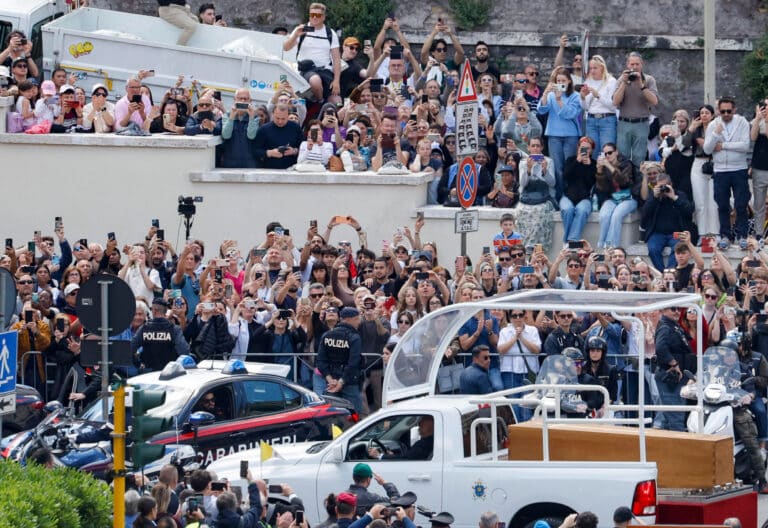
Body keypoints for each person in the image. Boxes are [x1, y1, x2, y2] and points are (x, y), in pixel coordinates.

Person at [703, 97, 752, 247]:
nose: (725, 114)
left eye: (728, 111)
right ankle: (725, 235)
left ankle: (742, 235)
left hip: (739, 169)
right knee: (722, 205)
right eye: (722, 111)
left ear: (734, 110)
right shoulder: (713, 125)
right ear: (718, 111)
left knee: (741, 204)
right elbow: (707, 149)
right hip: (720, 170)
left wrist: (723, 145)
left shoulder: (742, 122)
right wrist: (715, 135)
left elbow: (745, 146)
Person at [536, 67, 582, 199]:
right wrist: (545, 94)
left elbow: (570, 114)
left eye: (563, 80)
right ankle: (559, 195)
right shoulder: (550, 95)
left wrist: (559, 100)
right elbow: (542, 110)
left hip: (571, 135)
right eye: (558, 80)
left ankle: (571, 194)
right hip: (554, 135)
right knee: (557, 168)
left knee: (570, 167)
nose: (561, 83)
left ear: (569, 81)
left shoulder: (575, 96)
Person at [283, 3, 341, 102]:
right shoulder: (301, 29)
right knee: (315, 81)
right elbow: (286, 47)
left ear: (323, 17)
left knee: (337, 101)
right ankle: (319, 101)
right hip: (306, 70)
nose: (314, 17)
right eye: (312, 14)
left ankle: (325, 106)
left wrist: (336, 81)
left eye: (318, 15)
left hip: (325, 71)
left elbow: (336, 59)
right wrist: (296, 35)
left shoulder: (330, 33)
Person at [612, 52, 659, 167]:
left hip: (641, 123)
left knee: (639, 157)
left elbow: (654, 101)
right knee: (623, 156)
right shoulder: (621, 80)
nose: (634, 67)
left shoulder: (648, 79)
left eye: (637, 64)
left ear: (641, 64)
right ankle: (625, 182)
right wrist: (624, 83)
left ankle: (638, 183)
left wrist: (641, 85)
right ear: (627, 65)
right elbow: (615, 102)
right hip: (624, 122)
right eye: (632, 64)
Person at [640, 174, 695, 272]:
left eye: (665, 186)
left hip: (676, 233)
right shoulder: (653, 196)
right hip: (657, 233)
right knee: (653, 249)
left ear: (670, 184)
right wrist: (654, 198)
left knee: (677, 249)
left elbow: (689, 211)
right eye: (660, 186)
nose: (663, 189)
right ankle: (663, 274)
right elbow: (645, 214)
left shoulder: (679, 194)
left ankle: (670, 272)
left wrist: (674, 198)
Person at [315, 306, 364, 413]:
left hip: (331, 382)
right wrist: (341, 382)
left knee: (333, 414)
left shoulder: (327, 335)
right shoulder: (354, 337)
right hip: (349, 381)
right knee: (354, 412)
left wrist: (330, 380)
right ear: (348, 319)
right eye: (356, 319)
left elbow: (320, 361)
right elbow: (353, 363)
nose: (358, 322)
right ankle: (355, 427)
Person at [653, 306, 689, 431]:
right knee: (675, 417)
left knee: (671, 418)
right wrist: (674, 364)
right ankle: (679, 450)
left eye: (679, 309)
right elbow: (660, 348)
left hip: (679, 378)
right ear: (663, 310)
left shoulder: (674, 326)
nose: (677, 312)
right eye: (673, 309)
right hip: (670, 377)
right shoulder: (665, 326)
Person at [131, 298, 189, 372]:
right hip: (170, 373)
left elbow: (130, 349)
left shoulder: (144, 329)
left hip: (148, 373)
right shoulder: (174, 329)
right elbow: (184, 351)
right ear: (165, 311)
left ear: (154, 311)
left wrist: (138, 364)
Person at [560, 137, 597, 243]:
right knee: (567, 210)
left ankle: (570, 241)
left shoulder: (593, 164)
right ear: (578, 147)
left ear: (591, 150)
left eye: (588, 148)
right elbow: (565, 176)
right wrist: (577, 161)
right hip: (568, 195)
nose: (585, 150)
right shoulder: (571, 160)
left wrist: (589, 166)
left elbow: (592, 182)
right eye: (582, 148)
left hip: (585, 197)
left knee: (582, 210)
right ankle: (571, 243)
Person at [580, 55, 618, 156]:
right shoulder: (588, 81)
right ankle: (595, 172)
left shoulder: (611, 81)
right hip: (591, 120)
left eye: (595, 68)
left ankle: (606, 172)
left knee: (607, 151)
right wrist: (583, 97)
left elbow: (613, 106)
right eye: (590, 68)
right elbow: (586, 108)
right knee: (592, 151)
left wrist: (598, 96)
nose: (592, 71)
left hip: (607, 120)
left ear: (602, 67)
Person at [253, 103, 303, 169]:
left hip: (291, 170)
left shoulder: (295, 128)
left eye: (283, 119)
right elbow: (255, 151)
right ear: (272, 114)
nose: (280, 121)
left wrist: (294, 151)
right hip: (268, 170)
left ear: (288, 115)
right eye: (277, 118)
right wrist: (270, 153)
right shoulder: (263, 129)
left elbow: (303, 147)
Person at [368, 415, 435, 460]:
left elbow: (406, 459)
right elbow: (409, 456)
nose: (419, 427)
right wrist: (392, 455)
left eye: (422, 425)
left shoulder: (424, 444)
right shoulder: (429, 442)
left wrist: (379, 456)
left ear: (431, 426)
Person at [750, 99, 768, 239]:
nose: (765, 108)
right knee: (759, 203)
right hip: (759, 166)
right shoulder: (758, 120)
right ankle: (759, 233)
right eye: (764, 106)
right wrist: (758, 118)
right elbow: (753, 137)